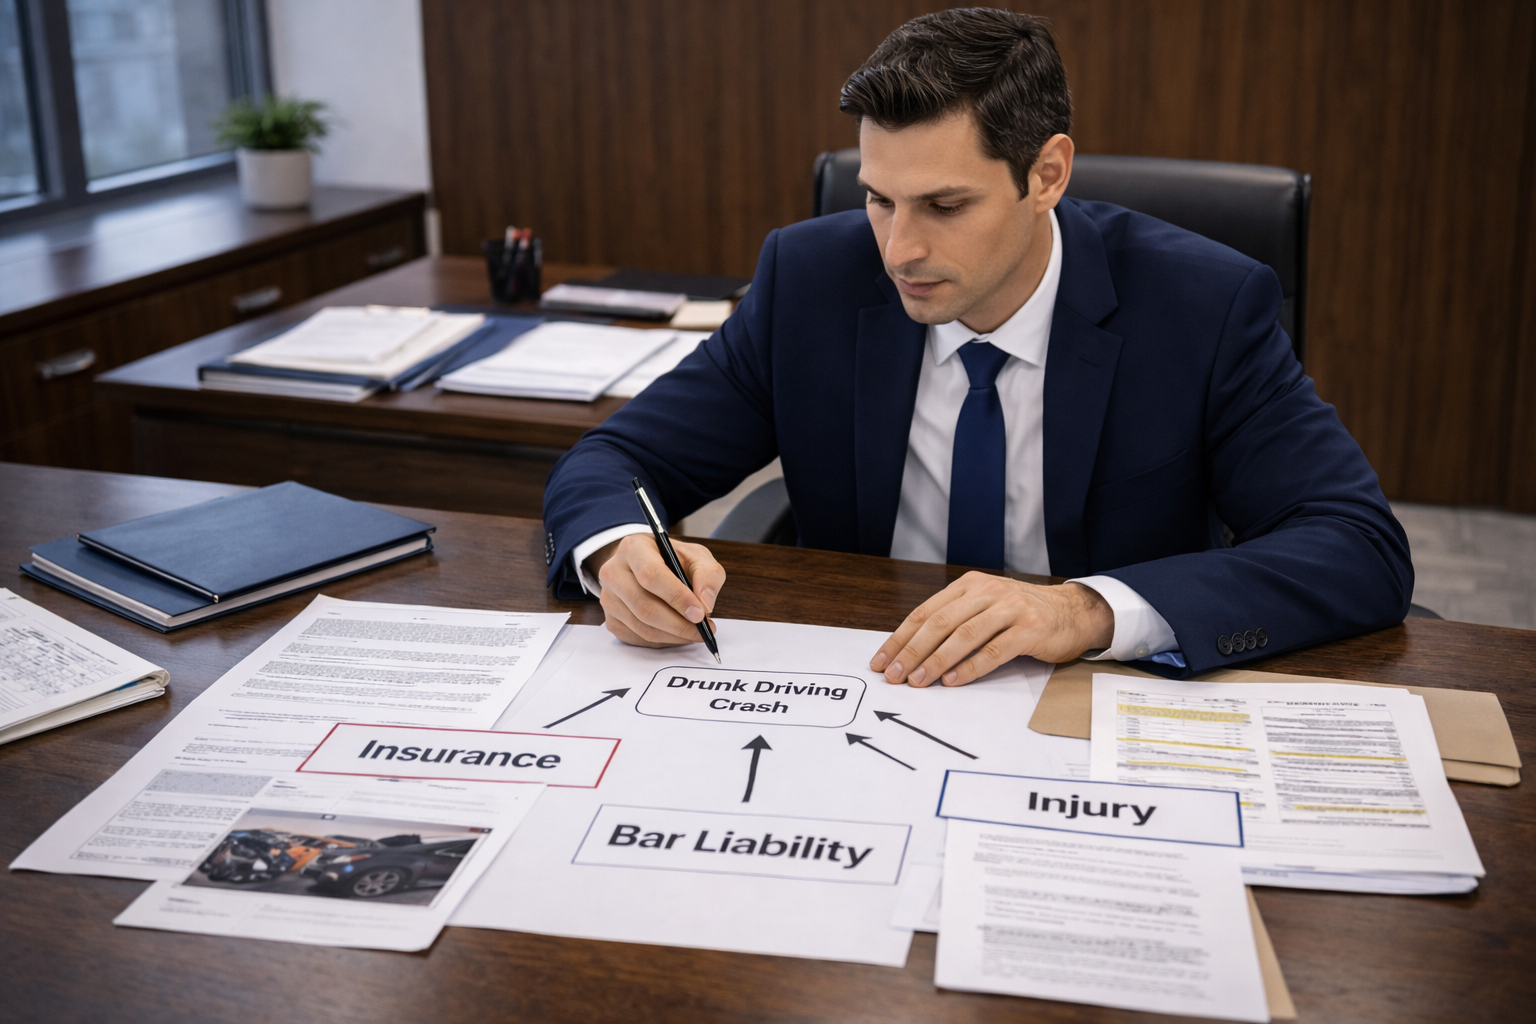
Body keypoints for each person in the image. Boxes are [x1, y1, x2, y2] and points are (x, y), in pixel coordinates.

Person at [540, 8, 1412, 685]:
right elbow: (615, 460)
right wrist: (618, 549)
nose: (897, 250)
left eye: (944, 206)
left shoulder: (1204, 305)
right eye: (879, 199)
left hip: (1097, 703)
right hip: (865, 686)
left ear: (1047, 175)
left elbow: (1356, 545)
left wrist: (1088, 612)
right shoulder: (811, 279)